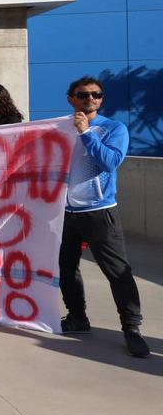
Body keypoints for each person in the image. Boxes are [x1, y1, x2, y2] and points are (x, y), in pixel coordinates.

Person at [57, 76, 149, 358]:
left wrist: (86, 133)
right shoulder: (60, 128)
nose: (91, 100)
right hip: (65, 213)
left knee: (118, 272)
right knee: (67, 268)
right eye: (83, 95)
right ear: (71, 98)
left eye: (96, 95)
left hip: (99, 212)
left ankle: (132, 328)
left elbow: (110, 162)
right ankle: (77, 317)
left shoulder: (113, 128)